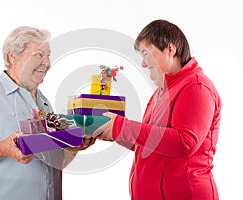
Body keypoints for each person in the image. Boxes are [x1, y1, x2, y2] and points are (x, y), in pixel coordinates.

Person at [0, 26, 95, 200]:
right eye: (39, 55)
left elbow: (51, 165)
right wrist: (3, 149)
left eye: (48, 55)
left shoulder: (44, 104)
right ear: (13, 57)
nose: (47, 63)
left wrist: (73, 148)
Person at [94, 20, 221, 200]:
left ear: (170, 49)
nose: (143, 64)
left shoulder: (196, 86)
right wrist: (114, 132)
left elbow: (185, 142)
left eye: (146, 53)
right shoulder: (161, 92)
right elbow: (152, 144)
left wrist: (122, 126)